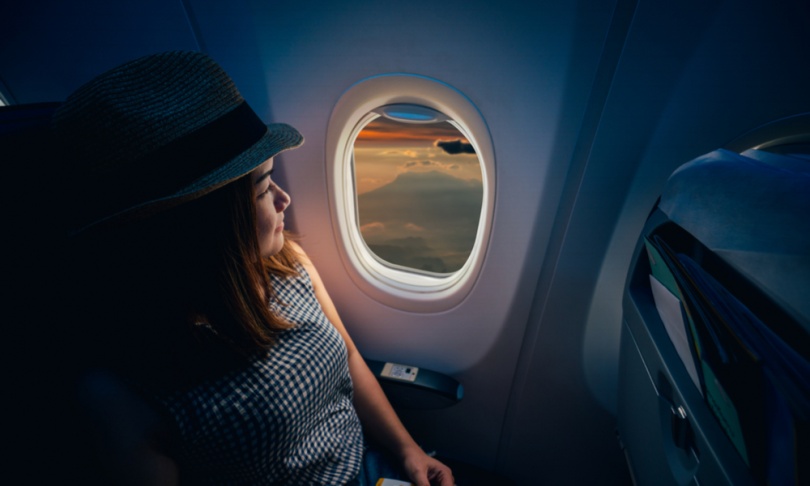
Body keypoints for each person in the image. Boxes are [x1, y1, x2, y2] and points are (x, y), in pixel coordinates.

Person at [53, 51, 454, 486]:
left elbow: (351, 358)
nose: (285, 200)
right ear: (203, 223)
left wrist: (407, 450)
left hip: (374, 471)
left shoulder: (286, 265)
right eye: (263, 188)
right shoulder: (123, 394)